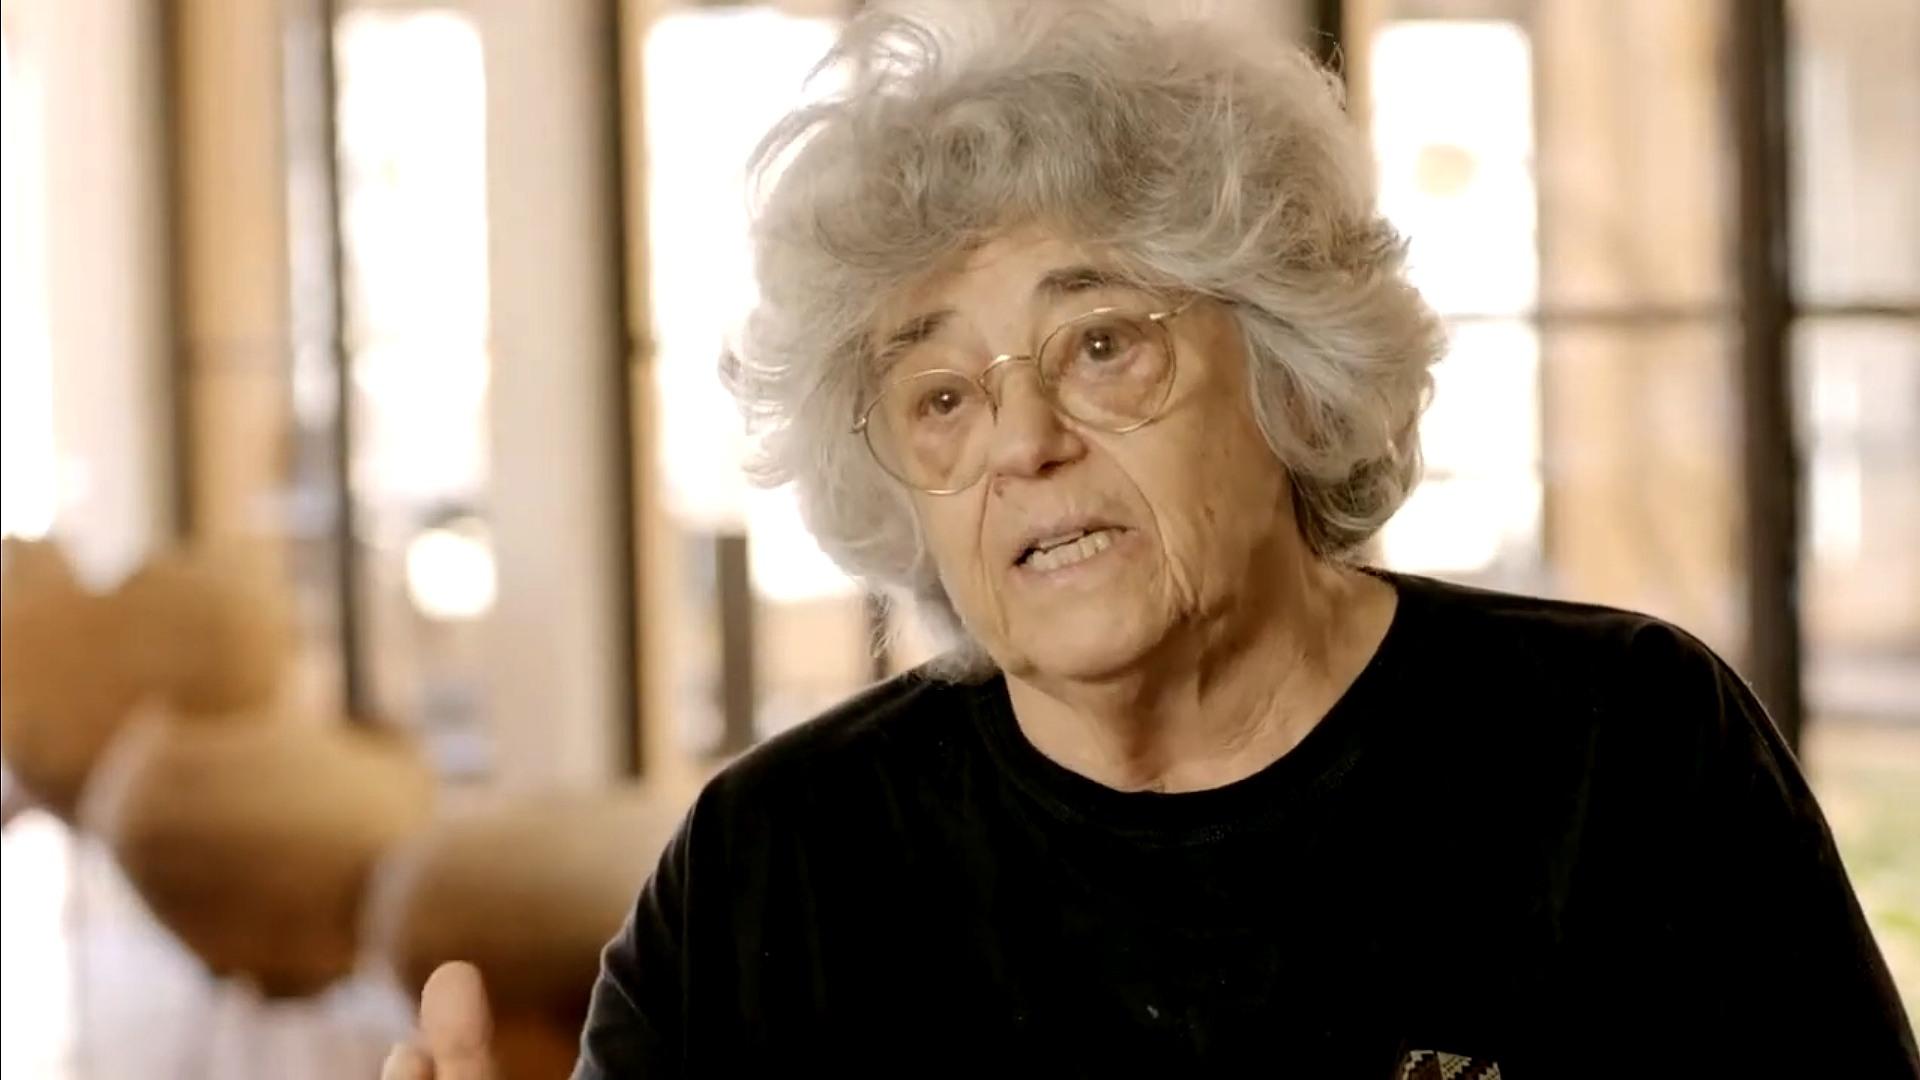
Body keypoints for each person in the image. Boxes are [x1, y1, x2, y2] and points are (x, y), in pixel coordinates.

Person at [384, 2, 1920, 1076]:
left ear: (1287, 361)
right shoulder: (775, 866)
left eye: (1104, 346)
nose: (1024, 442)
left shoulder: (1626, 750)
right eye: (940, 397)